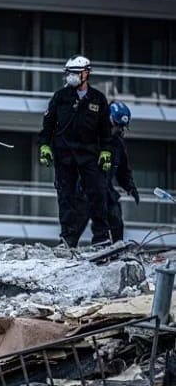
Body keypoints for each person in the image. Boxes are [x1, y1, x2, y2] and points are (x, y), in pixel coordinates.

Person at [38, 55, 113, 247]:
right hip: (64, 155)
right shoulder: (61, 97)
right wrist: (44, 146)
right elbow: (47, 125)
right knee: (66, 197)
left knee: (98, 193)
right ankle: (68, 239)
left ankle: (101, 237)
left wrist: (106, 151)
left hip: (89, 156)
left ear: (86, 73)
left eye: (75, 73)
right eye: (69, 73)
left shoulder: (98, 99)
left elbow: (105, 130)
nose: (71, 77)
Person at [71, 101, 140, 243]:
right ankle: (66, 247)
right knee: (76, 224)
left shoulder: (117, 144)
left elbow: (123, 169)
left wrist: (130, 186)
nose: (118, 130)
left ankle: (115, 248)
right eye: (116, 125)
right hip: (85, 187)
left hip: (105, 188)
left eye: (121, 127)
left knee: (115, 220)